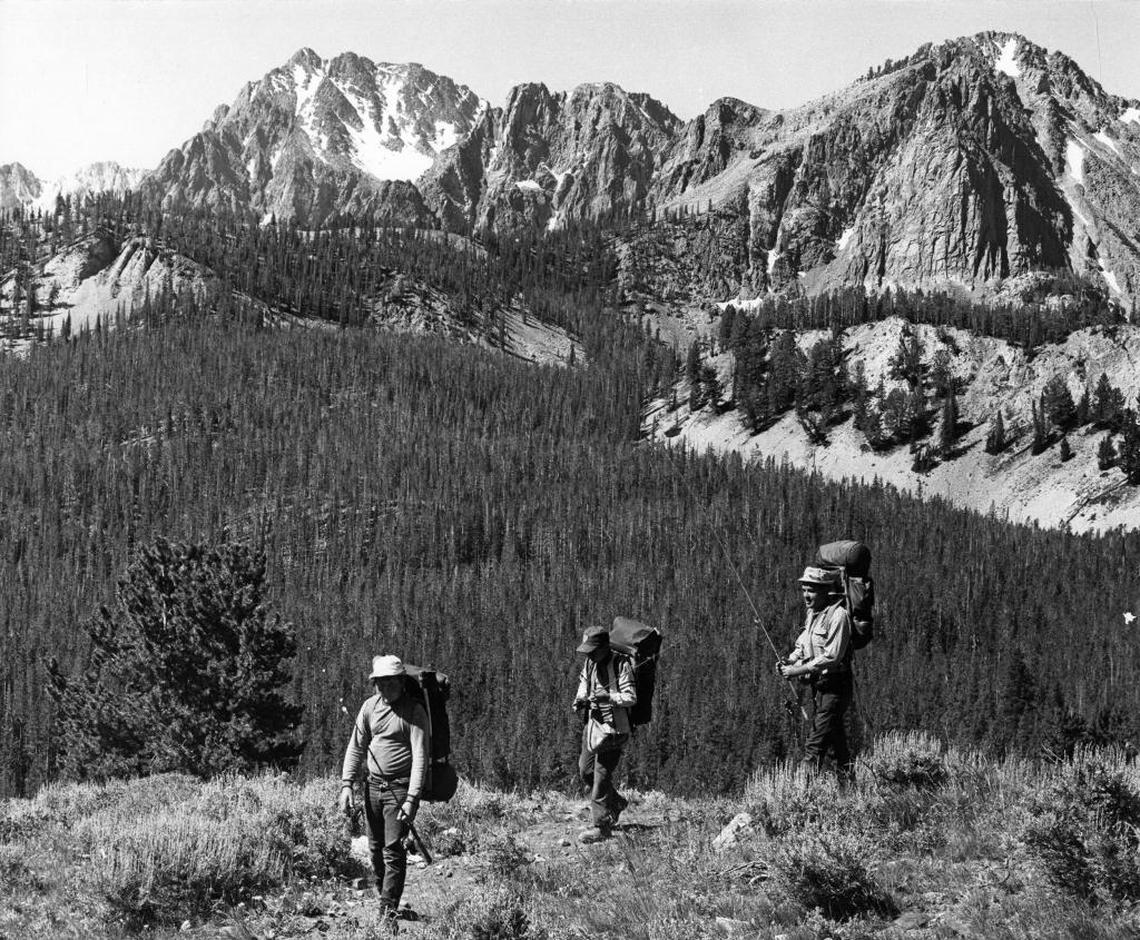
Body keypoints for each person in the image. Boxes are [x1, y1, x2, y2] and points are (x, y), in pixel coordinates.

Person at [339, 654, 429, 920]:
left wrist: (412, 799)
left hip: (399, 790)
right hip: (372, 788)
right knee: (376, 849)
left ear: (401, 681)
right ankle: (385, 897)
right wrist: (347, 785)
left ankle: (386, 912)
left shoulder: (414, 712)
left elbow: (420, 757)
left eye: (390, 682)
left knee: (393, 850)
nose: (385, 687)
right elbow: (356, 747)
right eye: (380, 682)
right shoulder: (369, 707)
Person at [777, 566, 854, 784]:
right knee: (836, 745)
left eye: (811, 590)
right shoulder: (813, 614)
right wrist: (790, 660)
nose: (806, 595)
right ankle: (849, 793)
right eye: (803, 590)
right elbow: (803, 643)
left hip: (836, 687)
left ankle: (801, 796)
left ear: (825, 591)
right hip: (819, 688)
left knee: (815, 744)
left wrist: (797, 670)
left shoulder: (839, 616)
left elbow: (832, 656)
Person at [573, 625, 637, 844]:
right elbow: (583, 683)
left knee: (601, 775)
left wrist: (608, 697)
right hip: (593, 727)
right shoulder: (590, 662)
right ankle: (616, 802)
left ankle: (601, 826)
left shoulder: (621, 664)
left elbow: (630, 697)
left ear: (604, 647)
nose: (589, 654)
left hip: (614, 730)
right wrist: (580, 699)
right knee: (585, 770)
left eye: (593, 649)